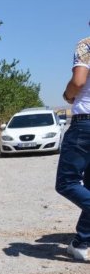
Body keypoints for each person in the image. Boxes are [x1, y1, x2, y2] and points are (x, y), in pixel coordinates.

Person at [57, 35, 90, 261]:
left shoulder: (86, 44)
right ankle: (82, 242)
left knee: (66, 182)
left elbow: (78, 83)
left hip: (85, 123)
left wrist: (68, 95)